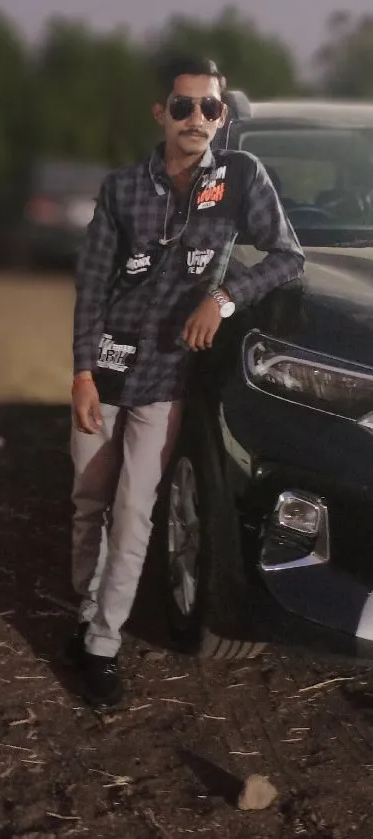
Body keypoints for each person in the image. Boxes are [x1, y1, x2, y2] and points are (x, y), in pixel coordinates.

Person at [68, 55, 305, 710]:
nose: (195, 118)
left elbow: (288, 256)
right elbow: (90, 285)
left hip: (167, 374)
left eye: (208, 107)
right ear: (161, 113)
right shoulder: (121, 189)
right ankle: (85, 614)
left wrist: (224, 297)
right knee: (89, 503)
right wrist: (83, 371)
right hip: (108, 365)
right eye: (182, 106)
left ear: (221, 116)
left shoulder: (239, 178)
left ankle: (102, 645)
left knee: (134, 508)